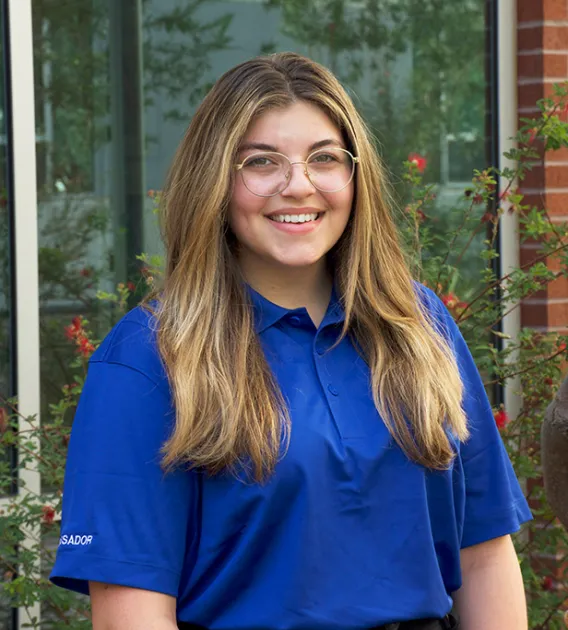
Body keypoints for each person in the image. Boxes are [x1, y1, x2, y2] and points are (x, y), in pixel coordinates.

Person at [50, 52, 531, 630]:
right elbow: (133, 612)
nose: (297, 185)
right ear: (215, 181)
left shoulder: (419, 325)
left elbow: (483, 557)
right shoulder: (149, 359)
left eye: (324, 158)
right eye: (261, 162)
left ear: (356, 176)